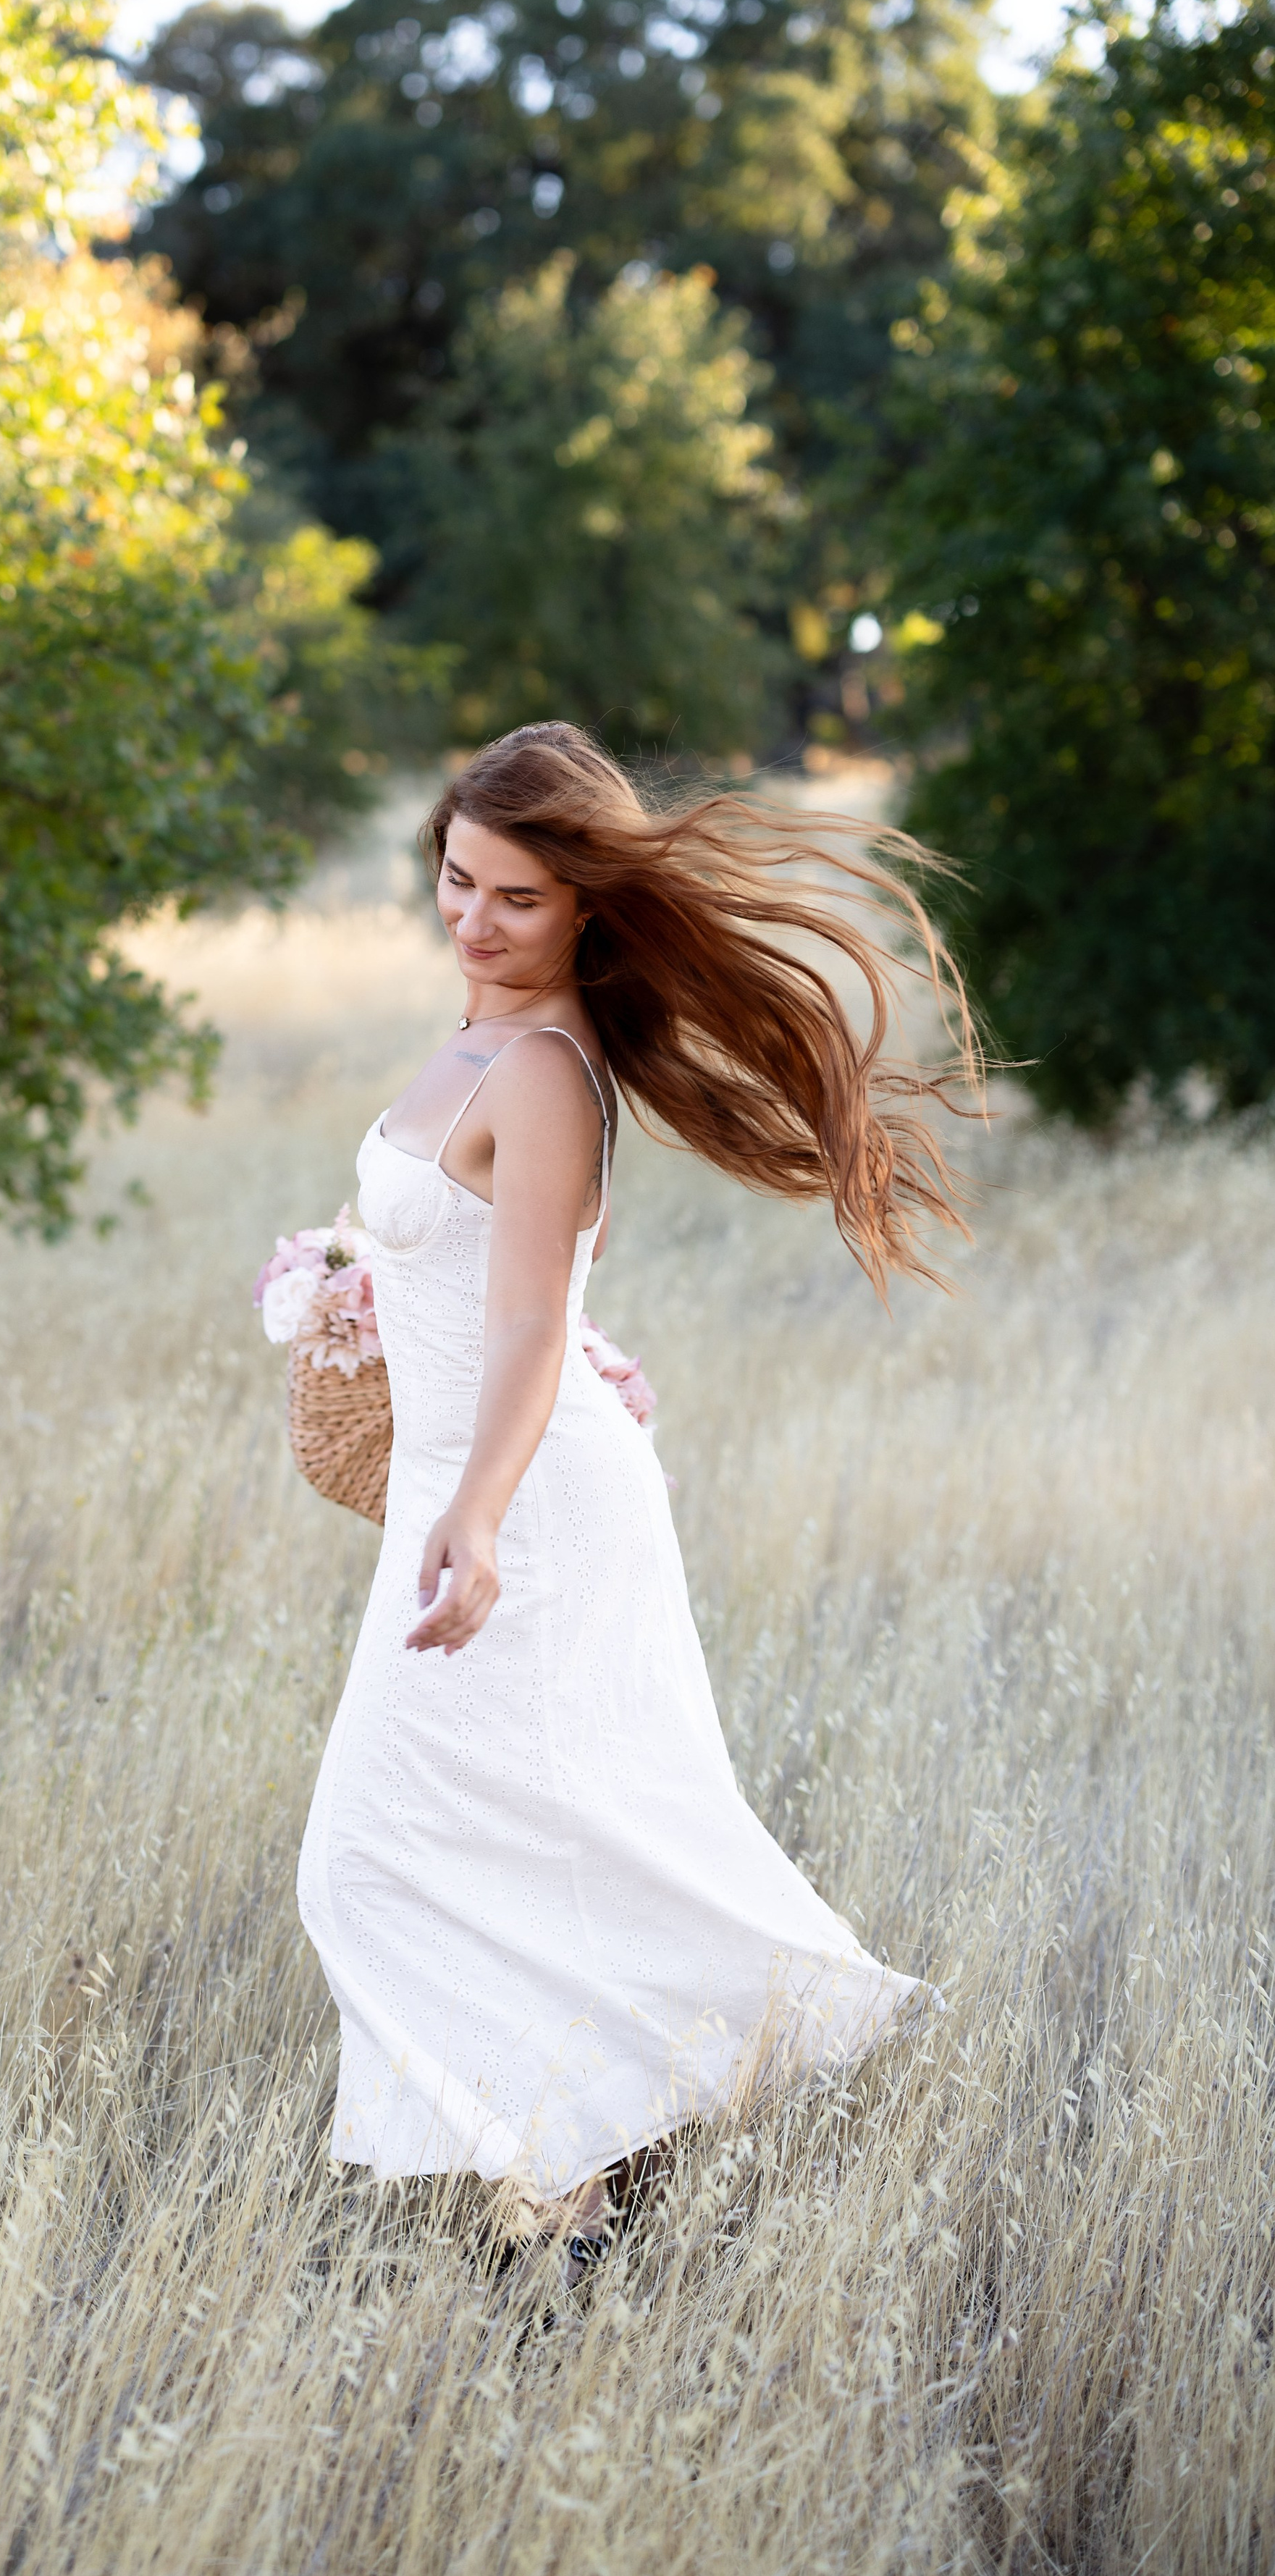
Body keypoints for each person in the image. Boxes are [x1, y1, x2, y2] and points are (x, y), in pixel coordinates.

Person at [295, 722, 980, 2279]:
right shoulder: (471, 1032)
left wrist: (468, 1515)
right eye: (458, 882)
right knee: (532, 1834)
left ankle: (569, 2205)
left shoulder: (539, 1069)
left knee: (361, 1856)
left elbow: (533, 1323)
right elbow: (470, 1265)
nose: (474, 919)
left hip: (518, 1497)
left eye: (517, 899)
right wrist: (348, 1285)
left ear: (586, 909)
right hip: (459, 1481)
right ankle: (586, 2175)